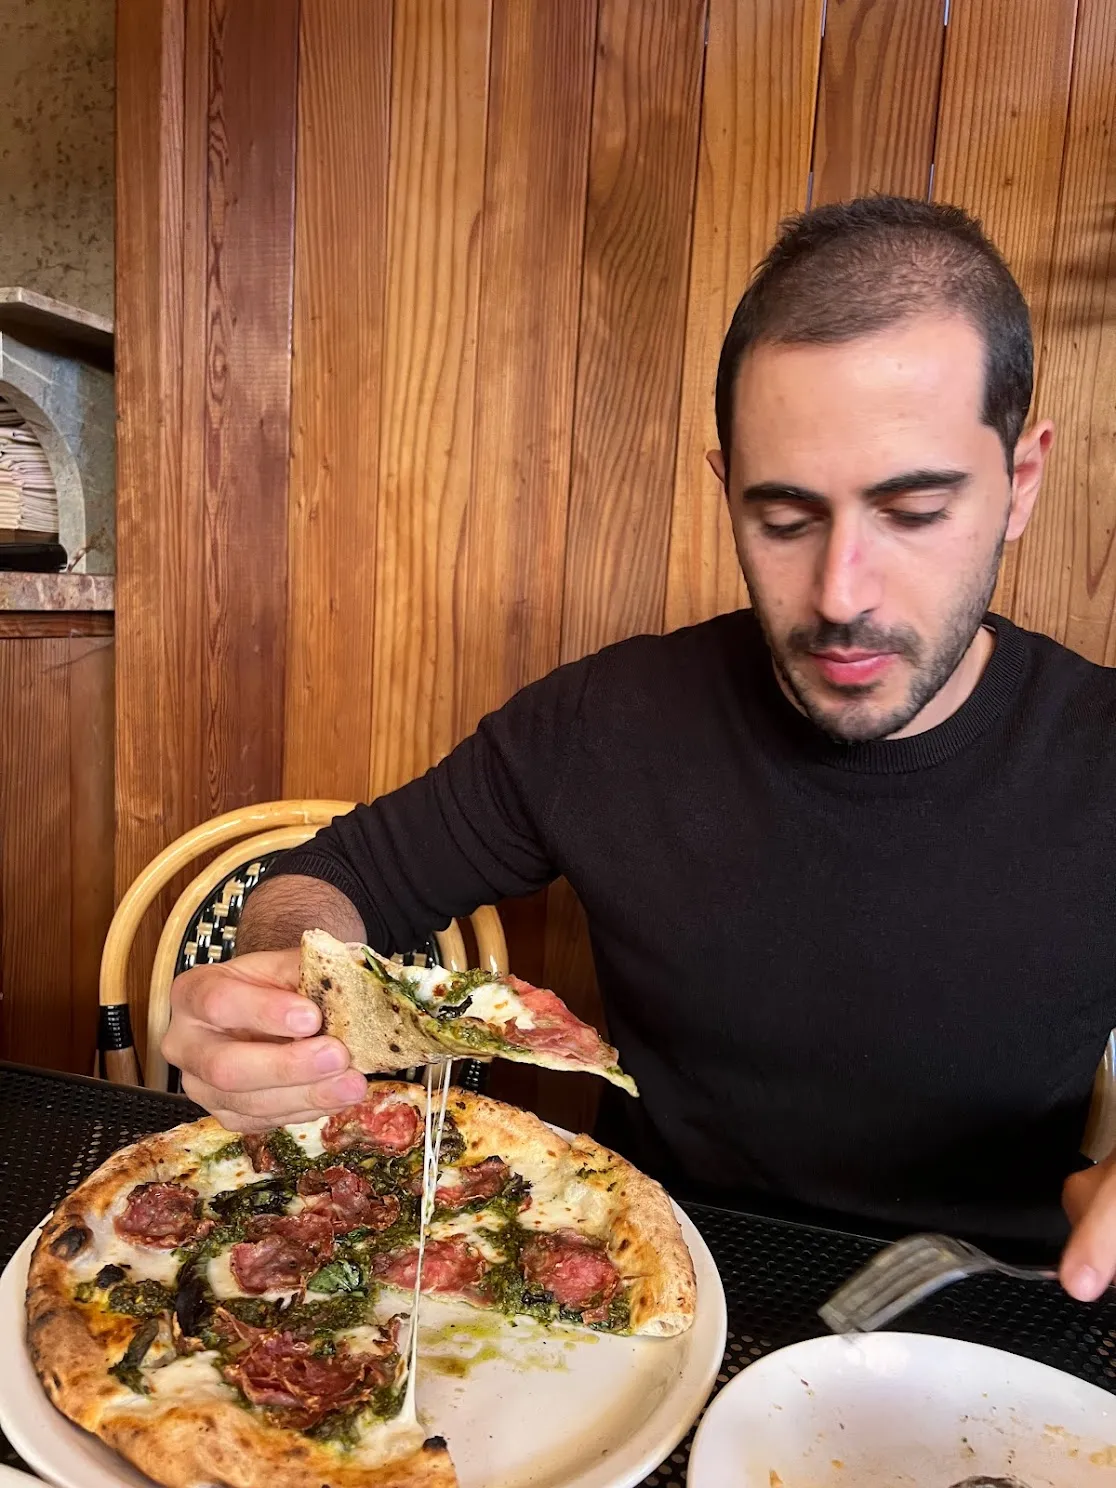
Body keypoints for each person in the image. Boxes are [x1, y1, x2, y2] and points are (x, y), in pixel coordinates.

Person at [164, 195, 1116, 1303]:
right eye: (786, 517)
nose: (841, 594)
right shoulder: (607, 720)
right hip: (651, 1310)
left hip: (1005, 1349)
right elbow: (328, 877)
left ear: (1022, 482)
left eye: (913, 510)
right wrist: (286, 984)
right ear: (727, 493)